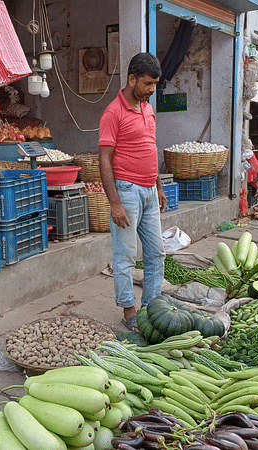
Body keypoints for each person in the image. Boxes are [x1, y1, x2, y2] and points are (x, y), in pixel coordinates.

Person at [98, 53, 167, 332]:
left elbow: (150, 148)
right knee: (125, 256)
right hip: (126, 191)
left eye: (154, 84)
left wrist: (159, 186)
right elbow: (104, 159)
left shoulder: (147, 108)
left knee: (157, 253)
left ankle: (151, 307)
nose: (152, 89)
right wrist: (114, 203)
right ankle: (129, 310)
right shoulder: (112, 113)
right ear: (131, 79)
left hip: (150, 190)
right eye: (148, 84)